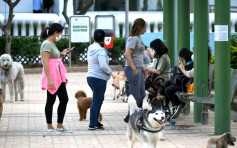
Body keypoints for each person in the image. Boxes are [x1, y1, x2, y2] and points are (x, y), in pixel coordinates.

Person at [40, 23, 72, 134]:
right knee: (51, 100)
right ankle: (49, 127)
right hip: (52, 77)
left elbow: (54, 58)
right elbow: (45, 61)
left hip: (58, 76)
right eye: (60, 34)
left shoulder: (52, 43)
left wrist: (62, 54)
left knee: (64, 99)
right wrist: (49, 80)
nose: (60, 36)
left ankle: (59, 126)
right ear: (55, 33)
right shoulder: (47, 44)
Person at [87, 29, 112, 130]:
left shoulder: (91, 48)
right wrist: (110, 72)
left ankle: (95, 121)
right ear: (103, 38)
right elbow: (103, 66)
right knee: (97, 101)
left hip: (90, 77)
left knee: (98, 100)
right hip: (99, 78)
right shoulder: (101, 51)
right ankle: (92, 124)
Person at [123, 18, 147, 123]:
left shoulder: (139, 38)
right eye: (144, 26)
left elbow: (139, 56)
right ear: (141, 27)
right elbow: (127, 54)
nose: (145, 28)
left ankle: (131, 115)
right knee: (135, 94)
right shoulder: (133, 39)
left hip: (138, 68)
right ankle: (130, 117)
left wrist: (142, 68)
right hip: (133, 69)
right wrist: (133, 68)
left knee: (142, 93)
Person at [164, 48, 193, 119]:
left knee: (168, 90)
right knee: (166, 84)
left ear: (184, 57)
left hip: (186, 85)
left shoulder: (191, 63)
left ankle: (178, 104)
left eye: (182, 58)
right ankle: (167, 106)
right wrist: (182, 65)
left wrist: (182, 68)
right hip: (182, 83)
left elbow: (188, 74)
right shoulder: (189, 63)